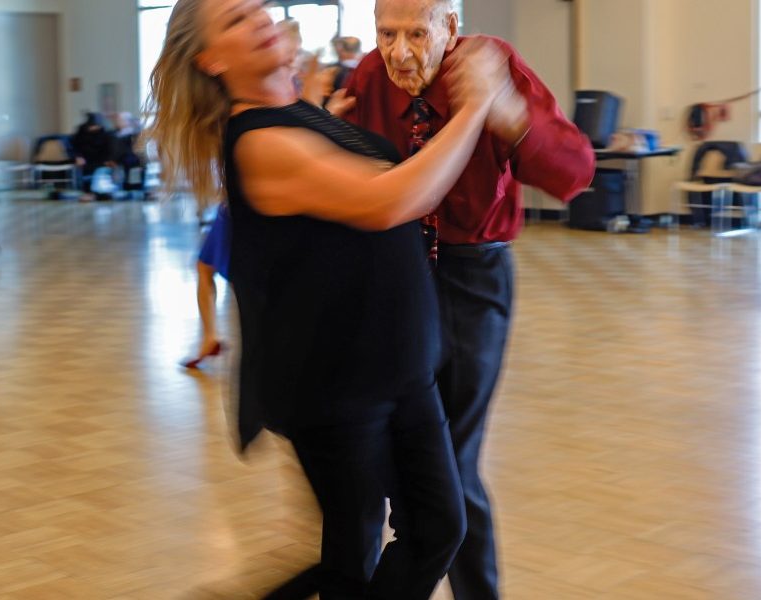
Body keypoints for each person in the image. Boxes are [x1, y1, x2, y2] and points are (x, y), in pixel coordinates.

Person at [149, 0, 514, 596]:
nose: (261, 19)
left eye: (257, 8)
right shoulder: (257, 144)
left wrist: (322, 106)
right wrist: (475, 107)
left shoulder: (298, 115)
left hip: (398, 367)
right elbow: (394, 199)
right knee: (355, 547)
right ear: (211, 59)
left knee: (439, 526)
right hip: (333, 385)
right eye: (236, 20)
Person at [343, 1, 596, 598]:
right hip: (389, 276)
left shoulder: (491, 63)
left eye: (416, 33)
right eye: (386, 33)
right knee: (373, 458)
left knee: (450, 463)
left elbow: (573, 171)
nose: (399, 51)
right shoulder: (367, 77)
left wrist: (505, 111)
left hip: (469, 279)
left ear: (450, 27)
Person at [180, 202, 230, 370]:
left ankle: (210, 337)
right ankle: (209, 337)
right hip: (231, 208)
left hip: (237, 207)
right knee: (204, 266)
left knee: (205, 267)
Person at [71, 112, 116, 201]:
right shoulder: (81, 133)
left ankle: (102, 192)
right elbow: (74, 147)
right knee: (87, 171)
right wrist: (77, 157)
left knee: (102, 172)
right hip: (85, 158)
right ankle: (89, 192)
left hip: (101, 159)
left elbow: (109, 148)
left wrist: (109, 159)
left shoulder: (105, 133)